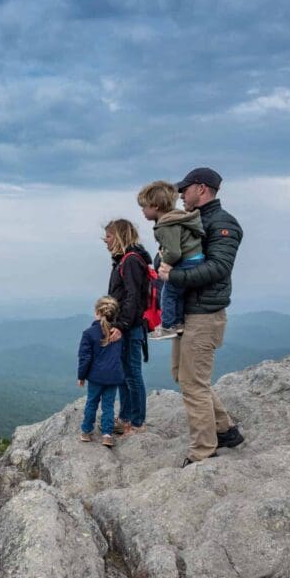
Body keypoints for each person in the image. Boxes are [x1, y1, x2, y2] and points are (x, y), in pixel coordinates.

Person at [157, 167, 244, 467]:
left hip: (204, 315)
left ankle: (203, 452)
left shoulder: (223, 224)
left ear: (202, 189)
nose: (181, 194)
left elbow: (219, 268)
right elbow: (172, 254)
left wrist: (175, 276)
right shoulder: (195, 221)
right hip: (189, 314)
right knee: (182, 375)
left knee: (193, 383)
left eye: (185, 189)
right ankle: (226, 430)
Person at [137, 180, 204, 340]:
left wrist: (164, 265)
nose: (143, 211)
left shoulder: (164, 226)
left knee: (167, 293)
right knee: (178, 293)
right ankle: (178, 324)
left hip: (187, 261)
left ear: (156, 206)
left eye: (144, 207)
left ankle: (167, 326)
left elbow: (174, 252)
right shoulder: (177, 218)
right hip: (196, 259)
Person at [103, 219, 151, 437]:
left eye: (109, 236)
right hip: (125, 326)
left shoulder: (130, 261)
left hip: (130, 328)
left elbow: (132, 298)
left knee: (132, 374)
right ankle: (125, 418)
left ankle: (137, 422)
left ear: (120, 236)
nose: (106, 240)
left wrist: (121, 325)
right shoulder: (124, 260)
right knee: (125, 373)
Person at [77, 296, 126, 448]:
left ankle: (86, 431)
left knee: (92, 402)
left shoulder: (89, 333)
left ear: (97, 312)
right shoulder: (118, 334)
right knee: (108, 406)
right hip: (113, 376)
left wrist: (81, 376)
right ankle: (107, 435)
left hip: (96, 377)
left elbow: (84, 358)